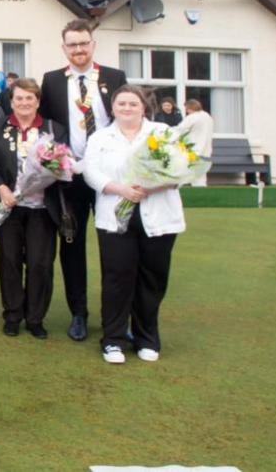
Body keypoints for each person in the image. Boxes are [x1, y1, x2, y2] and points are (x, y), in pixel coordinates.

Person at [39, 18, 127, 341]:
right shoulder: (51, 81)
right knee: (72, 246)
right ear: (64, 48)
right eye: (72, 44)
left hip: (108, 176)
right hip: (70, 178)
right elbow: (44, 127)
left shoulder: (115, 78)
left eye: (83, 43)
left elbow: (128, 119)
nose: (78, 49)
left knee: (114, 247)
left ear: (93, 45)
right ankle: (79, 313)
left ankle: (115, 317)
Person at [83, 85, 185, 364]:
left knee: (151, 279)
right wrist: (120, 189)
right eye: (121, 104)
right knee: (117, 278)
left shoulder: (163, 134)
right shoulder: (100, 137)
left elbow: (181, 170)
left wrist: (151, 185)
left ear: (144, 107)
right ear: (113, 108)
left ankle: (147, 338)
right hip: (115, 215)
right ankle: (113, 339)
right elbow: (90, 171)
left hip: (159, 217)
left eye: (133, 104)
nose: (127, 109)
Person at [0, 78, 66, 339]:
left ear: (38, 101)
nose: (24, 103)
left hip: (42, 208)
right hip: (9, 208)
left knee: (40, 263)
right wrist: (2, 189)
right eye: (19, 98)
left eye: (30, 98)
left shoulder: (53, 129)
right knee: (10, 261)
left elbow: (63, 165)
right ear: (12, 101)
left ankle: (35, 317)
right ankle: (13, 314)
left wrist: (56, 170)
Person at [177, 99, 213, 186]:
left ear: (189, 108)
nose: (186, 111)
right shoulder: (207, 116)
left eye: (186, 109)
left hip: (193, 150)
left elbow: (179, 130)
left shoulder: (193, 117)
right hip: (206, 151)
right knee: (200, 177)